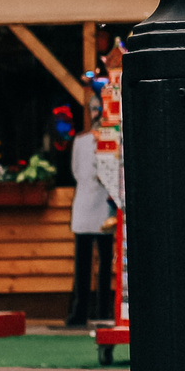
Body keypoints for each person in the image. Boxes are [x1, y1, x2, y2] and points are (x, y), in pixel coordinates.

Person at [63, 109, 117, 327]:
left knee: (90, 265)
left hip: (95, 206)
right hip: (98, 206)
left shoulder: (81, 142)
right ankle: (99, 309)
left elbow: (76, 171)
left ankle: (86, 310)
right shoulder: (105, 142)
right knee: (97, 265)